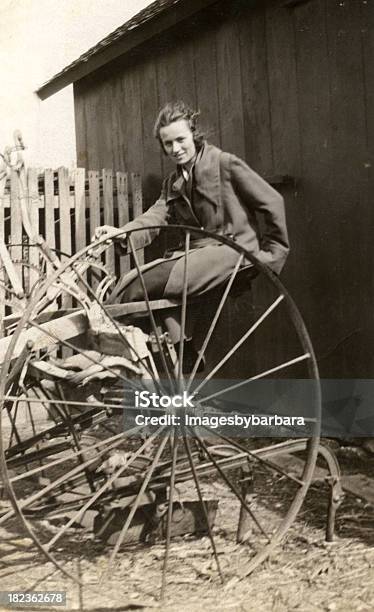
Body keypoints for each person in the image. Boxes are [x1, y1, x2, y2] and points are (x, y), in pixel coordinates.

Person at [94, 101, 289, 365]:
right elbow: (155, 217)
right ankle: (182, 354)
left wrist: (271, 258)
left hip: (231, 250)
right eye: (167, 144)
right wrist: (122, 232)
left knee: (139, 283)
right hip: (196, 256)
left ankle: (116, 336)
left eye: (180, 140)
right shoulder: (172, 183)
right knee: (132, 281)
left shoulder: (224, 164)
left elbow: (272, 201)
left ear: (194, 133)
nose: (175, 149)